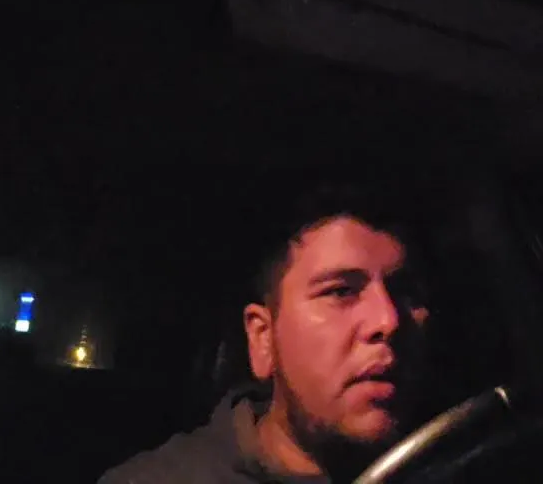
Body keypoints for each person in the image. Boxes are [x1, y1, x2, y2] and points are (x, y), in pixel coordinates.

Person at [99, 183, 436, 484]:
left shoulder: (454, 464)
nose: (389, 320)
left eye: (406, 293)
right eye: (340, 291)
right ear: (263, 338)